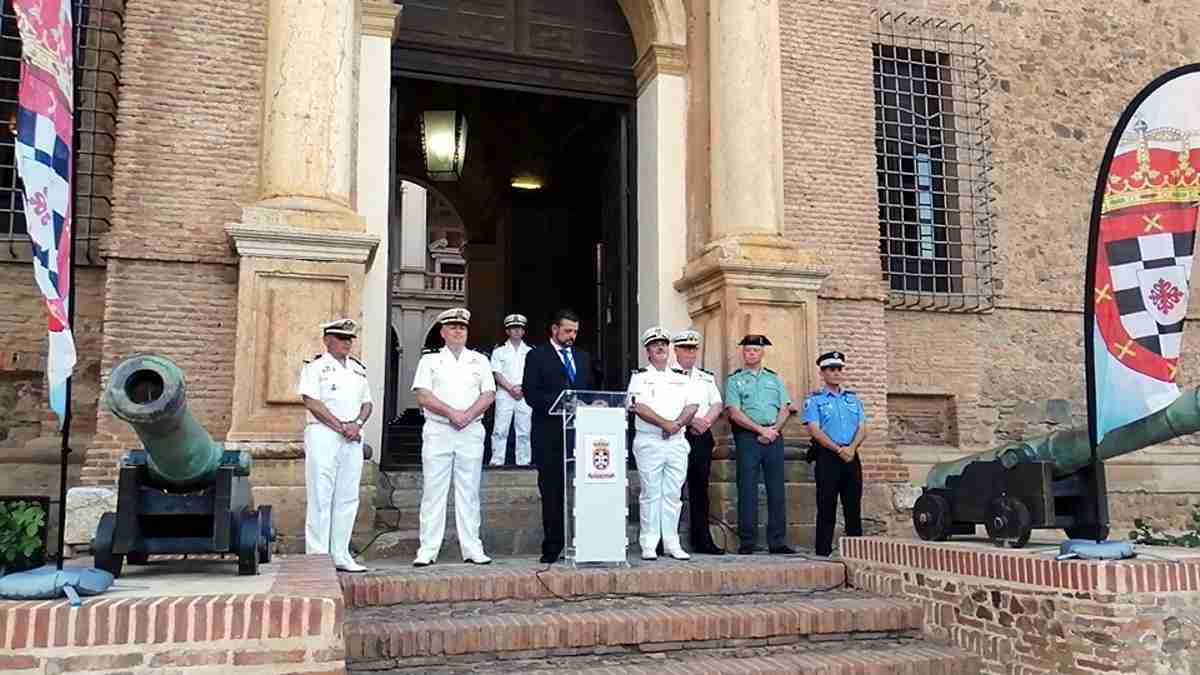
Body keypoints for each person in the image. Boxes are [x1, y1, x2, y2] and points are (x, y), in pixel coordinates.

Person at [410, 307, 497, 567]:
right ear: (443, 332)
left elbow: (488, 394)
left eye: (462, 327)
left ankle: (472, 548)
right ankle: (427, 549)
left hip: (470, 431)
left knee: (469, 492)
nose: (458, 331)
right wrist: (452, 413)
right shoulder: (430, 360)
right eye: (453, 327)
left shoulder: (479, 360)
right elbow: (423, 394)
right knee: (433, 491)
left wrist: (467, 415)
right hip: (439, 430)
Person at [298, 318, 373, 573]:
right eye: (342, 338)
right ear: (327, 340)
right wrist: (342, 426)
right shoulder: (316, 367)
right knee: (321, 494)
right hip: (324, 435)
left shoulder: (358, 370)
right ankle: (317, 557)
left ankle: (341, 554)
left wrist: (358, 423)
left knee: (347, 496)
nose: (347, 343)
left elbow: (367, 403)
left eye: (350, 339)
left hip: (352, 436)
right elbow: (312, 402)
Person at [522, 309, 594, 564]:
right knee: (552, 490)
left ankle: (586, 541)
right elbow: (531, 394)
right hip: (549, 434)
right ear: (554, 330)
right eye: (567, 331)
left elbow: (590, 391)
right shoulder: (536, 356)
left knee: (584, 488)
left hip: (580, 434)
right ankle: (553, 545)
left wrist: (592, 404)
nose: (571, 336)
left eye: (575, 331)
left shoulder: (583, 357)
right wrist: (562, 404)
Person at [627, 327, 699, 561]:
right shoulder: (639, 377)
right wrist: (665, 424)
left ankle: (671, 542)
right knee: (651, 492)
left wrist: (676, 425)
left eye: (663, 344)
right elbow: (639, 406)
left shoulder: (680, 377)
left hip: (677, 441)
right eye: (655, 344)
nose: (660, 348)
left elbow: (692, 406)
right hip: (650, 441)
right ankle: (649, 543)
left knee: (673, 493)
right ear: (647, 351)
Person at [724, 334, 796, 555]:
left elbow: (786, 408)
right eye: (747, 350)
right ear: (743, 353)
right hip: (748, 438)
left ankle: (777, 541)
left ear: (762, 352)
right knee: (747, 489)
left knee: (776, 489)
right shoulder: (734, 380)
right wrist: (761, 430)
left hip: (774, 436)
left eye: (755, 350)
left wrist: (773, 430)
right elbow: (734, 413)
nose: (751, 353)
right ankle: (748, 541)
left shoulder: (774, 379)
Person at [801, 350, 866, 557]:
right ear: (822, 373)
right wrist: (838, 449)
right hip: (828, 455)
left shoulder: (853, 399)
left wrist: (852, 448)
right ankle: (823, 551)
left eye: (839, 369)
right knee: (827, 504)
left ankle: (857, 551)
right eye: (831, 369)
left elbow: (863, 427)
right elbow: (814, 430)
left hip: (851, 454)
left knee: (853, 504)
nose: (836, 373)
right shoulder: (815, 400)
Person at [671, 328, 725, 555]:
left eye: (693, 349)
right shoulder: (668, 376)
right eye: (685, 349)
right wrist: (691, 421)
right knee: (671, 489)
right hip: (676, 433)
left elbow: (717, 403)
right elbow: (670, 405)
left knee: (700, 489)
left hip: (701, 435)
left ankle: (702, 540)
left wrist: (705, 422)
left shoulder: (705, 377)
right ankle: (667, 540)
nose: (690, 353)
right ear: (676, 350)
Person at [489, 313, 533, 467]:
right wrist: (511, 388)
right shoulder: (499, 351)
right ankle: (497, 460)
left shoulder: (530, 351)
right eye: (513, 328)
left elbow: (532, 374)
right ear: (507, 331)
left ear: (523, 331)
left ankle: (524, 461)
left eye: (519, 328)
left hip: (524, 394)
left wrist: (522, 389)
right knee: (500, 428)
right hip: (504, 393)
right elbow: (496, 373)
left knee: (524, 430)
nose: (516, 331)